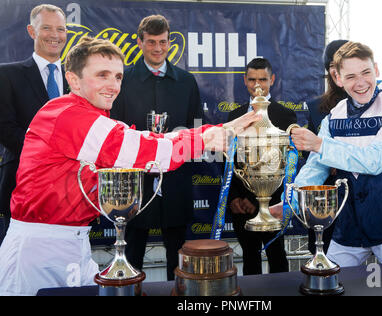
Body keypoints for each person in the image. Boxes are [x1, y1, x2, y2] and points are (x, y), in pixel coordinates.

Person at [0, 36, 260, 296]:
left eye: (118, 77)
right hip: (38, 252)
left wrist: (209, 133)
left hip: (70, 243)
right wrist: (205, 138)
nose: (113, 85)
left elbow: (148, 140)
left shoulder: (89, 117)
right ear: (73, 80)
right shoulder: (67, 115)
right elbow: (142, 149)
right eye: (102, 75)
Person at [273, 41, 382, 272]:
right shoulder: (334, 116)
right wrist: (290, 202)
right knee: (327, 282)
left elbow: (374, 161)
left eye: (366, 73)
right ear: (338, 78)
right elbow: (315, 167)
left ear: (377, 70)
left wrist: (320, 144)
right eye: (351, 76)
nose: (361, 82)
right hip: (348, 227)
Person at [110, 15, 203, 282]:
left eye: (162, 42)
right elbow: (114, 130)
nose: (158, 48)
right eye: (151, 42)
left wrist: (179, 141)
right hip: (135, 181)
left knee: (178, 256)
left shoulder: (186, 81)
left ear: (169, 42)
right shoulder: (123, 80)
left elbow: (197, 127)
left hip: (175, 180)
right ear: (140, 43)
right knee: (132, 253)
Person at [0, 4, 69, 241]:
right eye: (47, 28)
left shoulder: (78, 78)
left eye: (61, 29)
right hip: (23, 183)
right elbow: (6, 129)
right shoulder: (7, 75)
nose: (55, 35)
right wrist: (51, 155)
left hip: (71, 189)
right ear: (32, 31)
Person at [226, 58, 296, 275]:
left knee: (277, 256)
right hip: (242, 205)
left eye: (263, 79)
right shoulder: (234, 117)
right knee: (250, 258)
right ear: (245, 81)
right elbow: (229, 163)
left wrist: (271, 203)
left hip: (274, 204)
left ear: (272, 80)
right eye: (253, 79)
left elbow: (288, 166)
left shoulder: (286, 116)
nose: (258, 85)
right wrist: (236, 198)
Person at [303, 40, 348, 255]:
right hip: (324, 196)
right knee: (323, 255)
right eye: (333, 64)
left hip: (363, 196)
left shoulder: (377, 103)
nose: (338, 69)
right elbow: (309, 153)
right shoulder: (316, 107)